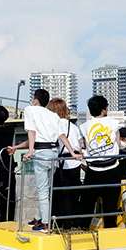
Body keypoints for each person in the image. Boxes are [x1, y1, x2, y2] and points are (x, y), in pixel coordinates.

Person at [14, 88, 63, 230]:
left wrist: (30, 151)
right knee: (47, 189)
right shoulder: (53, 115)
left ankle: (46, 223)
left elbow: (31, 131)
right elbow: (59, 136)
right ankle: (44, 218)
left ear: (35, 100)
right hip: (53, 153)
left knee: (42, 190)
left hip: (41, 152)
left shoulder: (30, 110)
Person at [78, 96, 124, 230]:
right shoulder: (114, 123)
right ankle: (111, 234)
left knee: (88, 204)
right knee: (110, 206)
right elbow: (119, 144)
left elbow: (84, 146)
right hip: (112, 169)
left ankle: (83, 230)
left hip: (93, 170)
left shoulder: (84, 126)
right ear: (104, 109)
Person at [50, 97, 88, 229]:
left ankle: (60, 223)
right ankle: (73, 222)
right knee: (73, 194)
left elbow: (58, 139)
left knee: (59, 194)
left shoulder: (54, 124)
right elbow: (81, 143)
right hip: (75, 162)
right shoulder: (73, 126)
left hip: (61, 162)